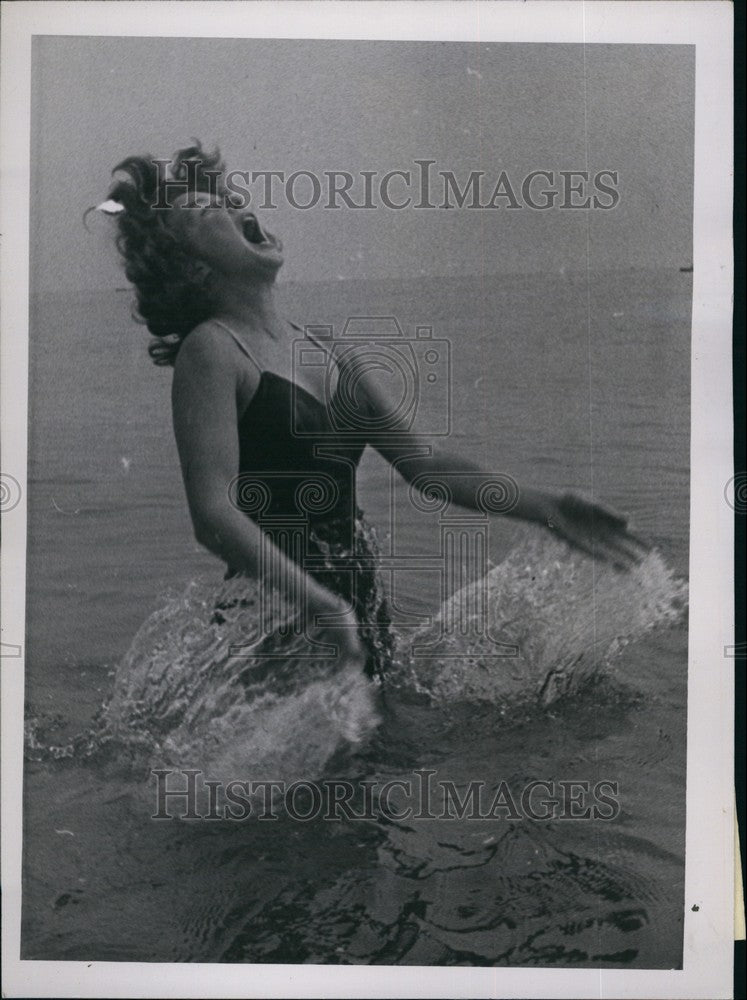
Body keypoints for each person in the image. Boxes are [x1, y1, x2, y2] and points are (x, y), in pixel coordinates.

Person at [99, 142, 648, 683]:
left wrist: (548, 506)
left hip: (356, 620)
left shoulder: (330, 350)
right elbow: (213, 514)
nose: (234, 207)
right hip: (273, 629)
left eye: (227, 199)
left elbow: (427, 467)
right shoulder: (212, 351)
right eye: (206, 211)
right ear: (190, 268)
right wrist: (318, 604)